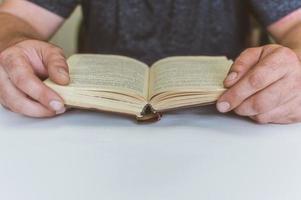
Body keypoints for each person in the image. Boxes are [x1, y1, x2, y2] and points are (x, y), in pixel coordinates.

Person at [0, 0, 301, 124]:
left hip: (227, 122)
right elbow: (15, 17)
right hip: (93, 123)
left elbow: (295, 25)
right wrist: (12, 47)